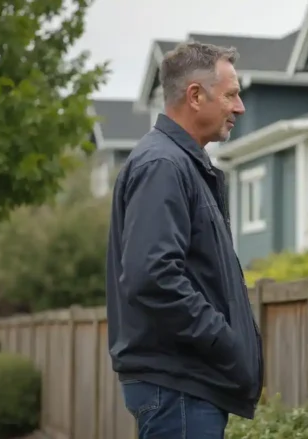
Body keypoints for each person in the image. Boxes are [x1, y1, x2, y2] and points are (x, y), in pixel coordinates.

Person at [105, 42, 263, 439]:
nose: (239, 107)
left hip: (185, 385)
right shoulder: (163, 165)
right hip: (178, 387)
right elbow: (152, 276)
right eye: (231, 94)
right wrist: (223, 340)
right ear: (195, 95)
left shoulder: (182, 164)